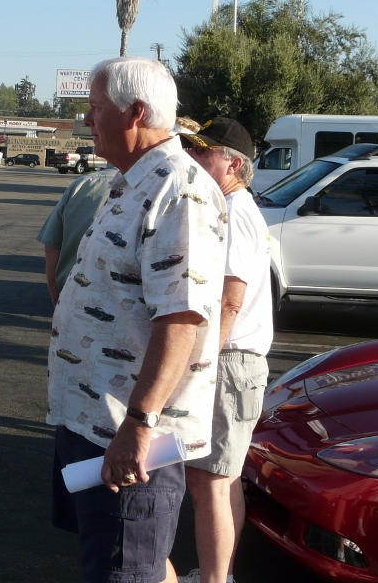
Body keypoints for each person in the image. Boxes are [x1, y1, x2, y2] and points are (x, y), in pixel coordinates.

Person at [48, 57, 227, 583]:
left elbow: (182, 319)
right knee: (119, 561)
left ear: (137, 113)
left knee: (127, 568)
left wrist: (139, 423)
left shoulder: (181, 190)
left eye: (97, 109)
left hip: (130, 440)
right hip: (94, 425)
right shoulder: (132, 182)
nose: (87, 119)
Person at [178, 118, 273, 583]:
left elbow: (229, 300)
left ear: (233, 163)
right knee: (222, 479)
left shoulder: (234, 212)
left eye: (204, 152)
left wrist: (200, 366)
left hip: (229, 361)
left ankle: (215, 580)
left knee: (209, 484)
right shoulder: (234, 208)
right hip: (237, 362)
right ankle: (221, 576)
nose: (194, 158)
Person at [37, 169, 114, 304]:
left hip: (74, 298)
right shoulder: (158, 184)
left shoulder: (84, 185)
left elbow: (52, 247)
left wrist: (56, 298)